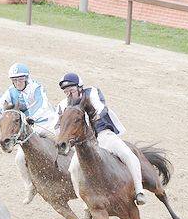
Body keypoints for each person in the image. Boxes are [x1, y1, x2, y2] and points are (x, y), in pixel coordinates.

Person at [55, 73, 146, 206]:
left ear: (80, 88)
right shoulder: (63, 105)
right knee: (73, 169)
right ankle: (86, 204)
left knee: (128, 154)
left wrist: (96, 116)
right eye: (66, 92)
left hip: (103, 135)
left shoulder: (91, 92)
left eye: (71, 90)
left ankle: (139, 191)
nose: (69, 94)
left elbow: (101, 108)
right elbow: (58, 126)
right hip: (83, 145)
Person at [0, 63, 59, 204]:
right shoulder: (11, 91)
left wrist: (31, 116)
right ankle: (29, 186)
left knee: (61, 142)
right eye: (14, 80)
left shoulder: (36, 87)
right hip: (30, 128)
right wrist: (7, 111)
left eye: (20, 79)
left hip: (46, 123)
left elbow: (42, 105)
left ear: (26, 78)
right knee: (19, 159)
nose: (17, 83)